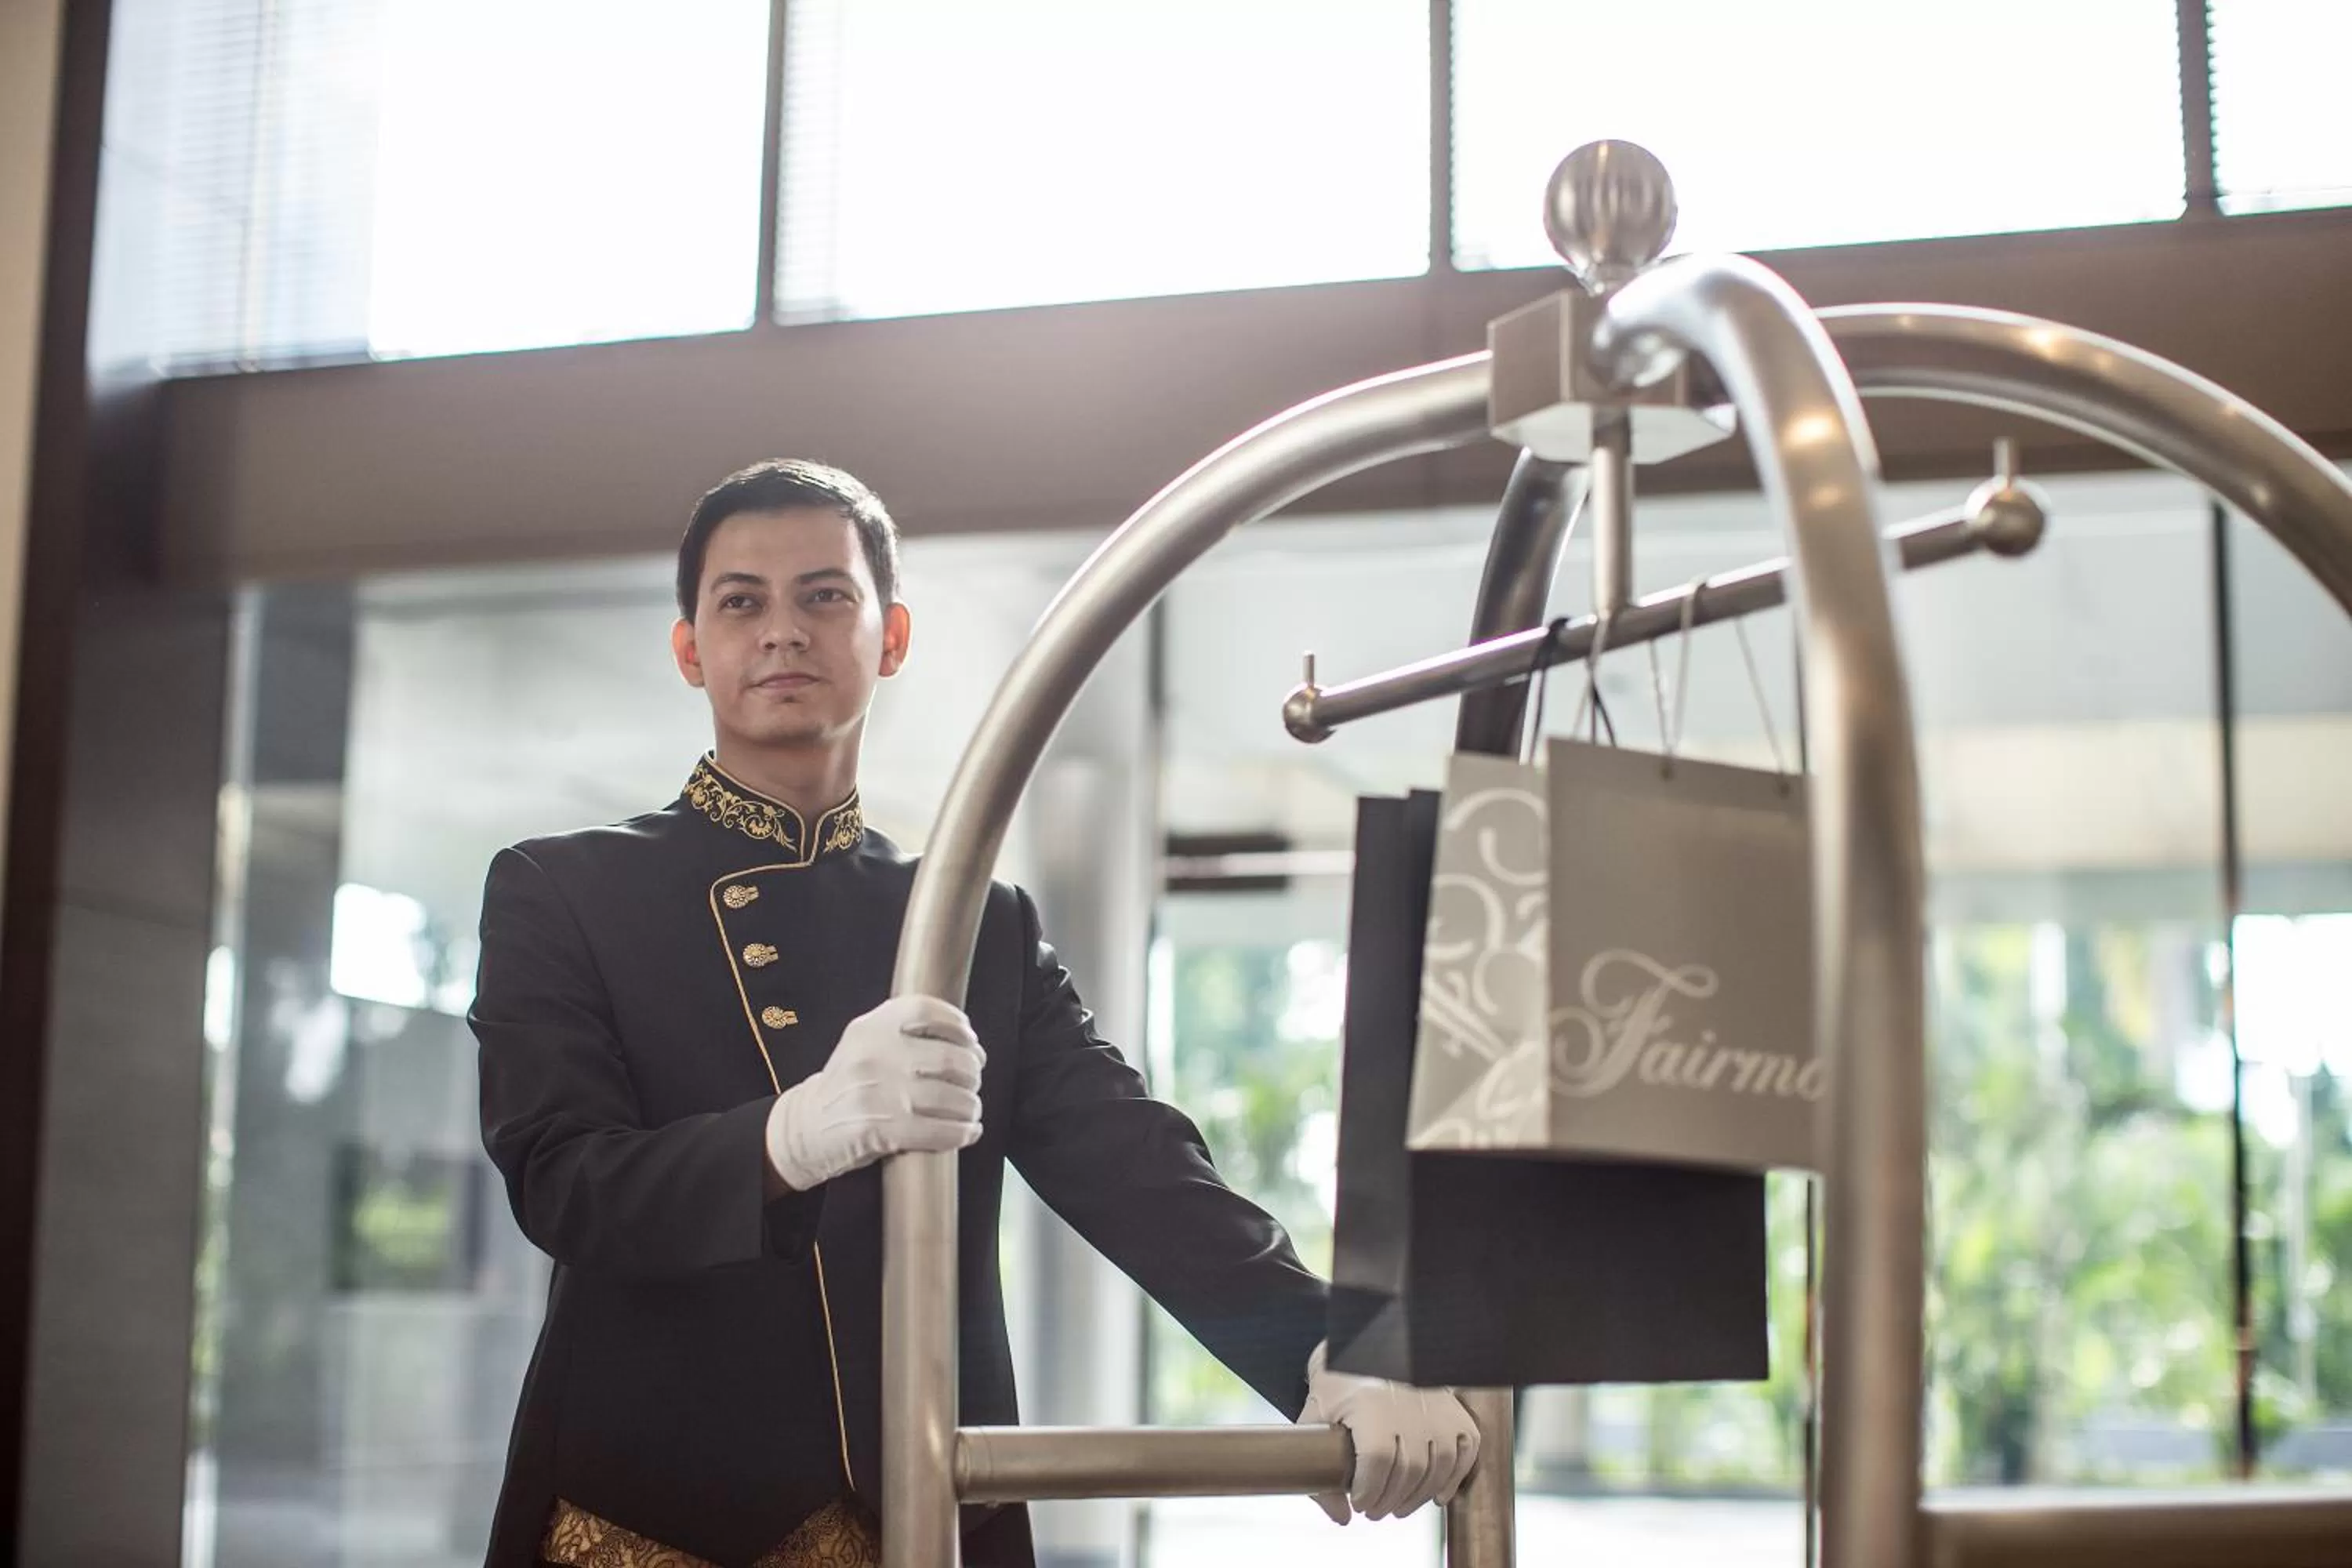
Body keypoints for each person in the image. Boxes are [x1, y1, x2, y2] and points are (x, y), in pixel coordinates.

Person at [470, 459, 1479, 1568]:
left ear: (891, 637)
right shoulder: (560, 888)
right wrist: (790, 1135)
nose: (782, 631)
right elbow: (563, 1183)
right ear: (689, 648)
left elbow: (1132, 1163)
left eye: (826, 595)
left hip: (922, 1514)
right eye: (740, 602)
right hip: (643, 1524)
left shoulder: (969, 919)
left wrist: (1331, 1349)